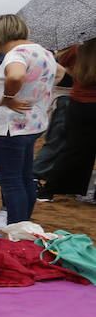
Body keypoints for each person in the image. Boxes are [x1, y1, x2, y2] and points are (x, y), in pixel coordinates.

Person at [0, 14, 59, 227]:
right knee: (24, 178)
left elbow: (15, 76)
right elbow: (60, 74)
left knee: (11, 182)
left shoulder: (16, 54)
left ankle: (14, 231)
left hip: (9, 128)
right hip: (32, 125)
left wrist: (8, 97)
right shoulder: (43, 52)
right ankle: (23, 226)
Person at [38, 40, 96, 202]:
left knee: (71, 148)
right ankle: (74, 189)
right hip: (88, 102)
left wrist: (78, 75)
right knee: (84, 150)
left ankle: (51, 190)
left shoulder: (78, 49)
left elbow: (62, 66)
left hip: (77, 102)